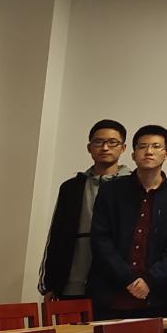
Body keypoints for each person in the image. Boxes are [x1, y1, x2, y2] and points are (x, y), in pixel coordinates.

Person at [89, 124, 167, 319]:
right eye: (142, 146)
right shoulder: (111, 190)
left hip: (160, 295)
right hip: (112, 290)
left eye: (156, 146)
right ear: (133, 154)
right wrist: (128, 278)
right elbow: (100, 239)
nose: (149, 151)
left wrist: (150, 280)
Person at [40, 119, 131, 303]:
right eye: (99, 142)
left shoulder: (133, 185)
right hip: (74, 280)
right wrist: (50, 283)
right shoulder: (71, 187)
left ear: (123, 148)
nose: (105, 147)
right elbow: (57, 234)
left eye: (112, 142)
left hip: (120, 282)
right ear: (89, 148)